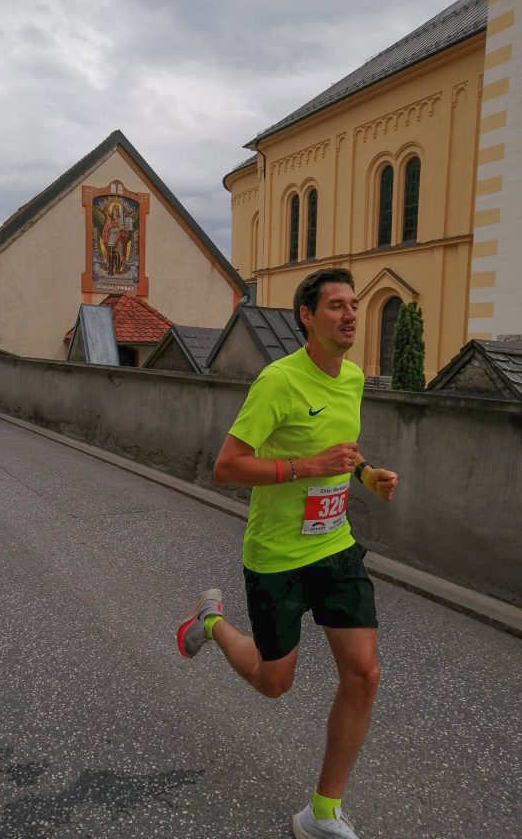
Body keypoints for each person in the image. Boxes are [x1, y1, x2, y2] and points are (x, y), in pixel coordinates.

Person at [176, 268, 398, 839]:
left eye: (354, 304)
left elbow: (339, 450)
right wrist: (306, 468)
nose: (350, 315)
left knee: (364, 675)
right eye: (336, 306)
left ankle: (321, 814)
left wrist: (366, 474)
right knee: (275, 683)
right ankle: (210, 619)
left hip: (335, 546)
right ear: (307, 316)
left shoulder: (351, 379)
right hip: (276, 555)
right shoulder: (278, 381)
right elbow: (226, 466)